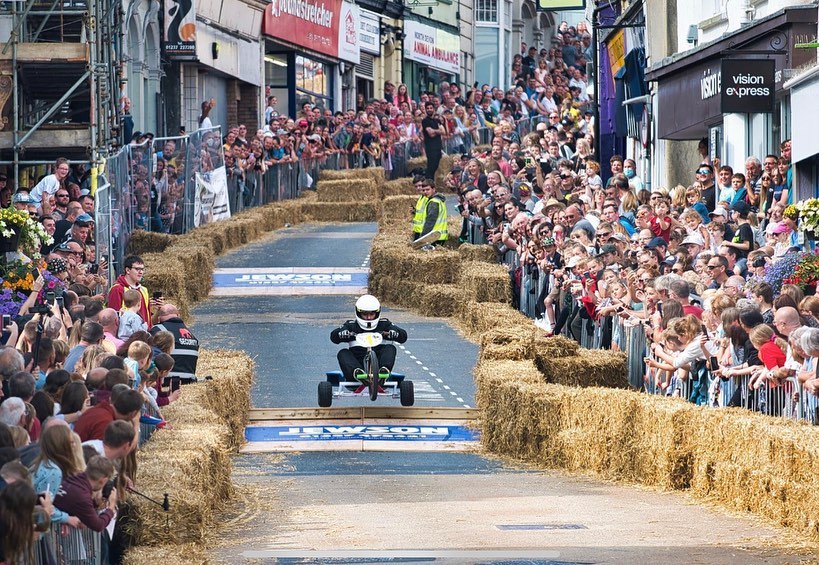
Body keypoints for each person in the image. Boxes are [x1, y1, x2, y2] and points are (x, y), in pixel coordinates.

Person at [330, 295, 407, 382]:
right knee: (343, 352)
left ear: (377, 313)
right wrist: (341, 333)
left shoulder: (384, 324)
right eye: (365, 314)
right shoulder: (351, 325)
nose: (369, 318)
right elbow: (333, 337)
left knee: (390, 348)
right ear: (358, 313)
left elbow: (403, 336)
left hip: (378, 360)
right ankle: (357, 372)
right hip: (357, 360)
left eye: (372, 314)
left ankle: (384, 371)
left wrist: (394, 333)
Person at [150, 303, 200, 383]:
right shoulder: (189, 333)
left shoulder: (157, 330)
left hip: (167, 377)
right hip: (189, 378)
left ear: (159, 318)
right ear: (178, 315)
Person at [107, 255, 159, 328]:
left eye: (142, 269)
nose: (141, 272)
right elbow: (113, 317)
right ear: (127, 270)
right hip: (125, 336)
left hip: (144, 335)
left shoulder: (143, 290)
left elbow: (147, 317)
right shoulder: (117, 289)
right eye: (137, 269)